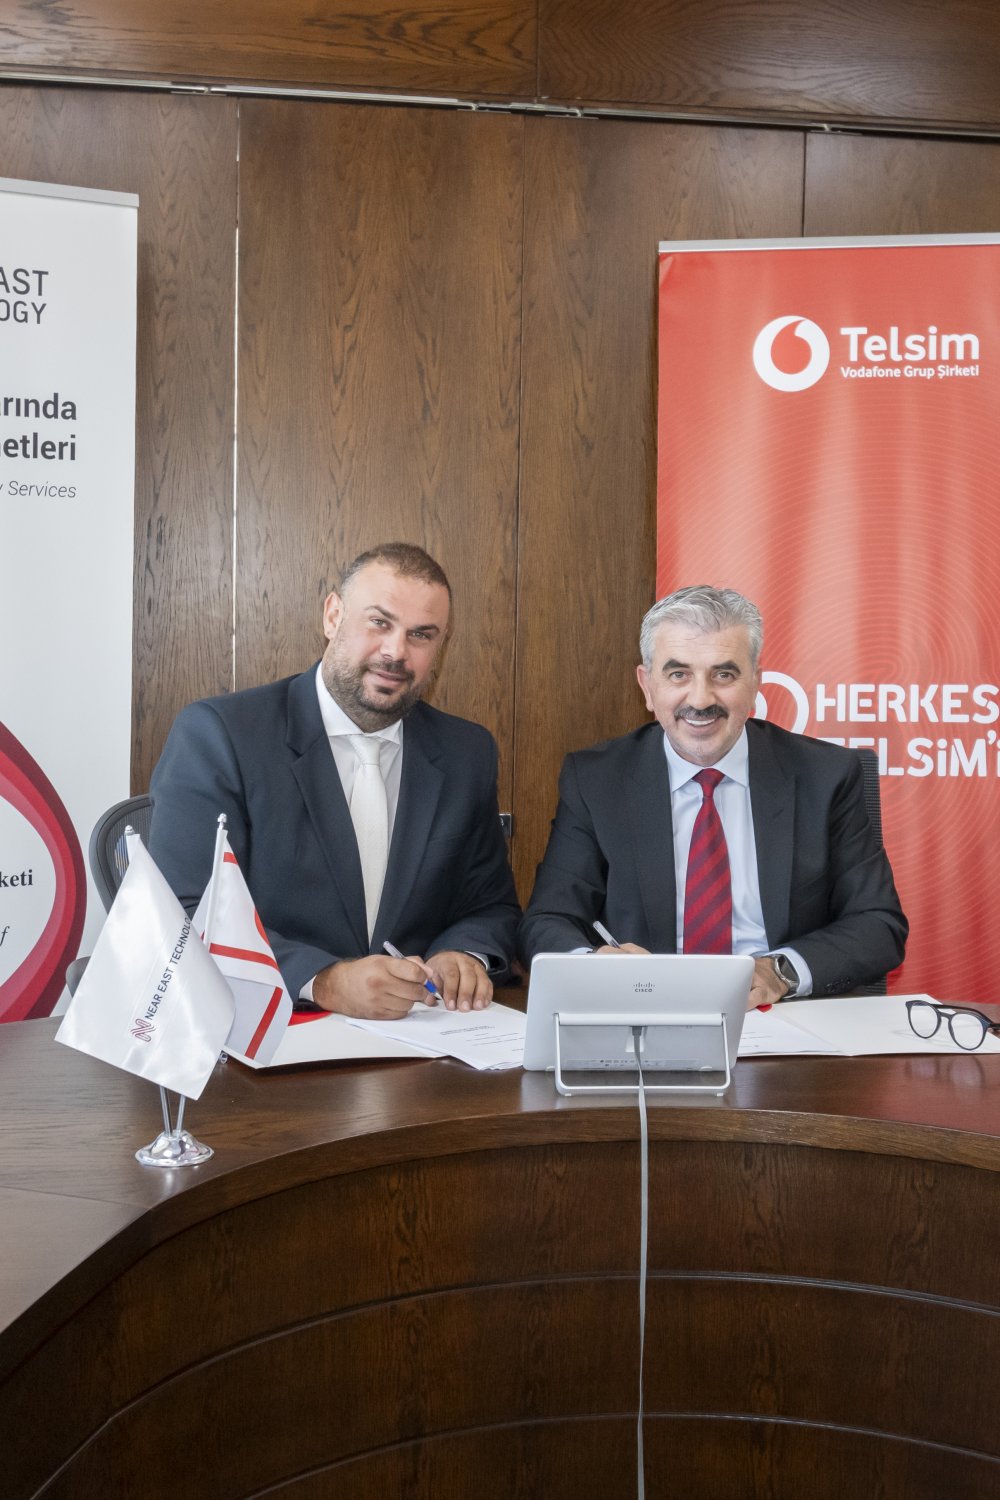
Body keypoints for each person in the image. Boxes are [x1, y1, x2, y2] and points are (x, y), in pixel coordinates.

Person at [149, 542, 520, 1019]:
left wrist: (462, 953)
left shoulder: (466, 753)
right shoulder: (222, 735)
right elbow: (184, 909)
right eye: (379, 622)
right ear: (332, 616)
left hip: (421, 1035)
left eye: (421, 635)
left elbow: (490, 905)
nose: (396, 651)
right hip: (274, 1032)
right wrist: (322, 980)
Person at [518, 585, 907, 1009]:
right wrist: (594, 964)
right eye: (678, 674)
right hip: (646, 1012)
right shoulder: (596, 780)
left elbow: (877, 925)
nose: (701, 699)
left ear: (755, 683)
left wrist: (780, 972)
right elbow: (548, 920)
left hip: (778, 1014)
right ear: (647, 686)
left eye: (724, 675)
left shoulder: (826, 775)